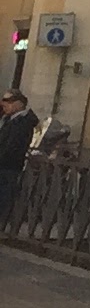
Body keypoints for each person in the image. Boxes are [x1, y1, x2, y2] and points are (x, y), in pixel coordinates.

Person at [0, 90, 35, 228]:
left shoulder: (22, 122)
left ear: (19, 103)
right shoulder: (9, 119)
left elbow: (12, 146)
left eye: (8, 101)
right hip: (6, 166)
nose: (4, 104)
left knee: (5, 196)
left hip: (9, 166)